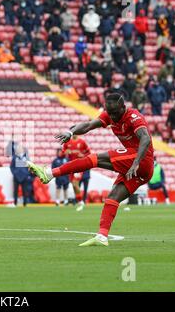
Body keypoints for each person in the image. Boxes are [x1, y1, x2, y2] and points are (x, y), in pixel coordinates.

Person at [28, 93, 155, 246]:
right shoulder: (109, 116)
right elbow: (88, 125)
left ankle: (50, 173)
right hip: (141, 172)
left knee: (96, 159)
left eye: (115, 113)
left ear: (124, 107)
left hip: (141, 159)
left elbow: (146, 138)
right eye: (110, 113)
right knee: (113, 197)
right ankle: (102, 236)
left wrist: (136, 163)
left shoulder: (134, 116)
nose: (112, 117)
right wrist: (71, 132)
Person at [61, 134, 91, 211]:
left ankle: (81, 202)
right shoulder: (67, 142)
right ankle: (79, 201)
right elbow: (63, 152)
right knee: (74, 185)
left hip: (79, 165)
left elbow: (89, 152)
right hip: (71, 166)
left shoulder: (82, 142)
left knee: (75, 183)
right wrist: (66, 152)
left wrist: (83, 155)